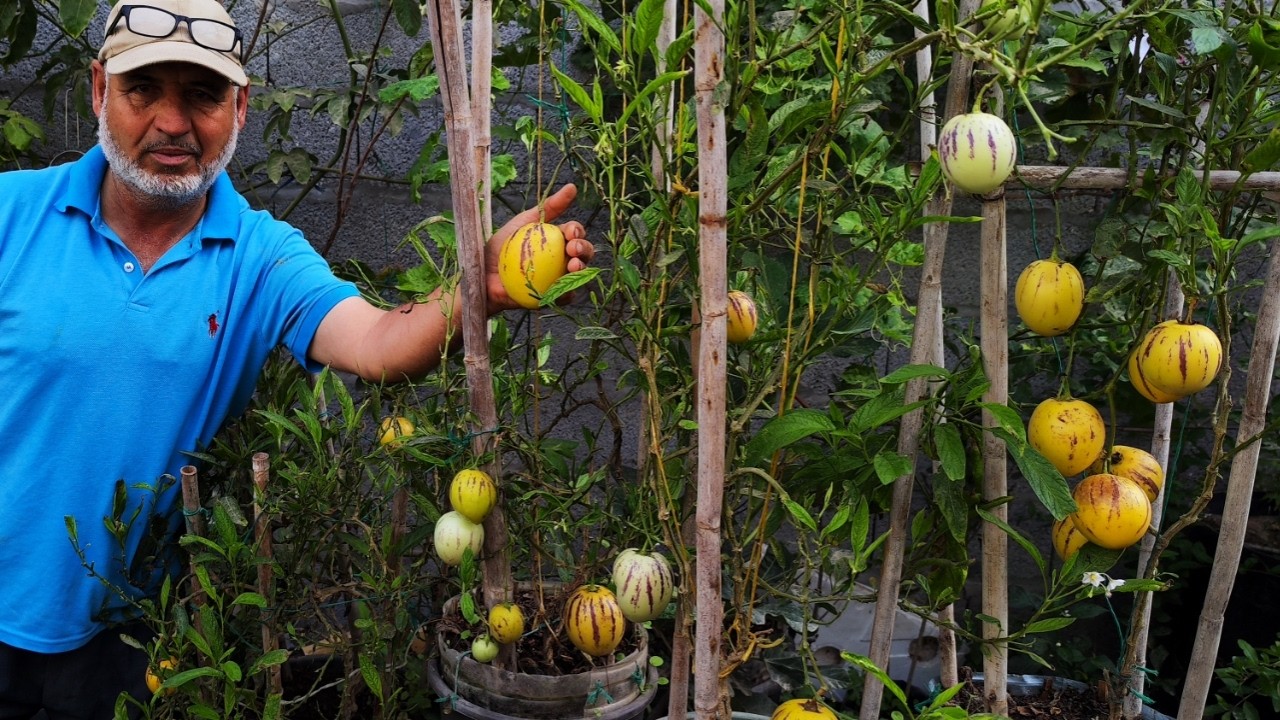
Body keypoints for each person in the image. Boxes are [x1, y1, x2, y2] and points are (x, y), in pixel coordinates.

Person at [0, 0, 593, 716]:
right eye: (142, 89)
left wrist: (474, 290)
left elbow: (377, 343)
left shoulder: (260, 256)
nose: (173, 122)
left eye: (202, 94)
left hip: (128, 640)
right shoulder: (11, 214)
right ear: (99, 90)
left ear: (241, 107)